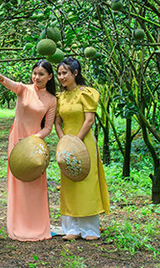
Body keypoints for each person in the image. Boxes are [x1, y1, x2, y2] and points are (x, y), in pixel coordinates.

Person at [0, 60, 57, 241]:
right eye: (35, 73)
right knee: (19, 181)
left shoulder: (52, 100)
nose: (37, 77)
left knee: (35, 183)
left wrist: (34, 140)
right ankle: (18, 225)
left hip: (34, 144)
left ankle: (37, 225)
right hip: (17, 140)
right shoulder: (23, 90)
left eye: (41, 74)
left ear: (50, 76)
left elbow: (48, 127)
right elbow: (11, 84)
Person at [54, 57, 110, 241]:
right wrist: (64, 142)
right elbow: (58, 122)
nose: (61, 77)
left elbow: (89, 120)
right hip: (67, 143)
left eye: (65, 73)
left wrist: (75, 143)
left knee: (86, 182)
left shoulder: (87, 93)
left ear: (75, 73)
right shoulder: (59, 97)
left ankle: (90, 230)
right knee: (69, 183)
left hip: (84, 141)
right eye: (59, 73)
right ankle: (72, 228)